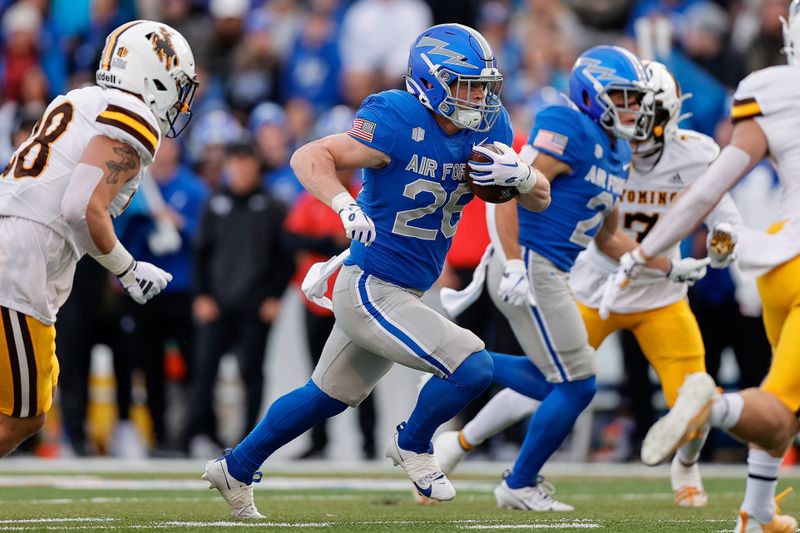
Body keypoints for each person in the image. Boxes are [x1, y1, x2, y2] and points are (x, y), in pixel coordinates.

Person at [202, 23, 550, 519]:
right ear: (431, 83)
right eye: (466, 83)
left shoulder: (488, 129)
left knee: (325, 396)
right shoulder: (395, 117)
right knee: (473, 365)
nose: (479, 96)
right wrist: (344, 204)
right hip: (370, 285)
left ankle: (235, 468)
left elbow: (539, 197)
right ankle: (413, 442)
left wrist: (525, 176)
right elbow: (310, 154)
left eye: (483, 84)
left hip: (405, 289)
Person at [433, 61, 741, 508]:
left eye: (641, 107)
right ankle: (463, 442)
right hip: (595, 286)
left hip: (659, 294)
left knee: (696, 394)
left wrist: (720, 242)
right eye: (626, 103)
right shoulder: (601, 145)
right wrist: (515, 259)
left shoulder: (694, 153)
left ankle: (687, 467)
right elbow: (524, 197)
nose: (634, 117)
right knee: (551, 378)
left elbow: (724, 215)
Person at [613, 2, 800, 531]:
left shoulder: (773, 88)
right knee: (779, 405)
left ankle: (757, 512)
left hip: (779, 269)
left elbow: (706, 191)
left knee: (779, 400)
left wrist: (644, 251)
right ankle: (710, 405)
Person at [0, 20, 198, 458]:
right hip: (20, 256)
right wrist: (128, 270)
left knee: (32, 398)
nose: (181, 100)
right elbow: (81, 206)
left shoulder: (83, 98)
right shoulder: (135, 116)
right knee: (23, 415)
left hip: (18, 243)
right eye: (179, 85)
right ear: (156, 74)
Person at [184, 139, 293, 456]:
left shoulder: (273, 206)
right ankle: (198, 435)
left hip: (255, 305)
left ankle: (249, 440)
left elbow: (284, 257)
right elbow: (200, 253)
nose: (241, 169)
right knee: (205, 370)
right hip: (216, 303)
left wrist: (274, 296)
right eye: (236, 162)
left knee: (252, 372)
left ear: (257, 165)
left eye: (247, 162)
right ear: (227, 166)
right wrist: (202, 295)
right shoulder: (215, 202)